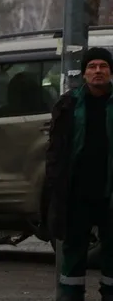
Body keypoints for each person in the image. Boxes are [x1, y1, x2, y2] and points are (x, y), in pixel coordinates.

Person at [44, 47, 113, 301]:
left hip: (110, 194)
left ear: (110, 71)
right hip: (77, 194)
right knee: (72, 256)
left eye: (103, 66)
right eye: (92, 66)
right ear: (84, 74)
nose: (98, 71)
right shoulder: (69, 104)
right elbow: (55, 151)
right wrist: (56, 187)